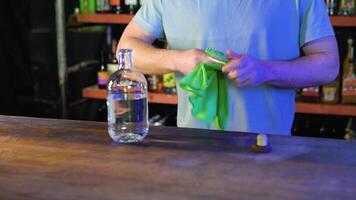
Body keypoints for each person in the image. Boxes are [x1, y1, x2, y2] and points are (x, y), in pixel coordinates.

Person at [118, 0, 339, 135]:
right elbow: (126, 50)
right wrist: (177, 60)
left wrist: (265, 71)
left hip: (270, 147)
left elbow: (328, 65)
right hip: (193, 145)